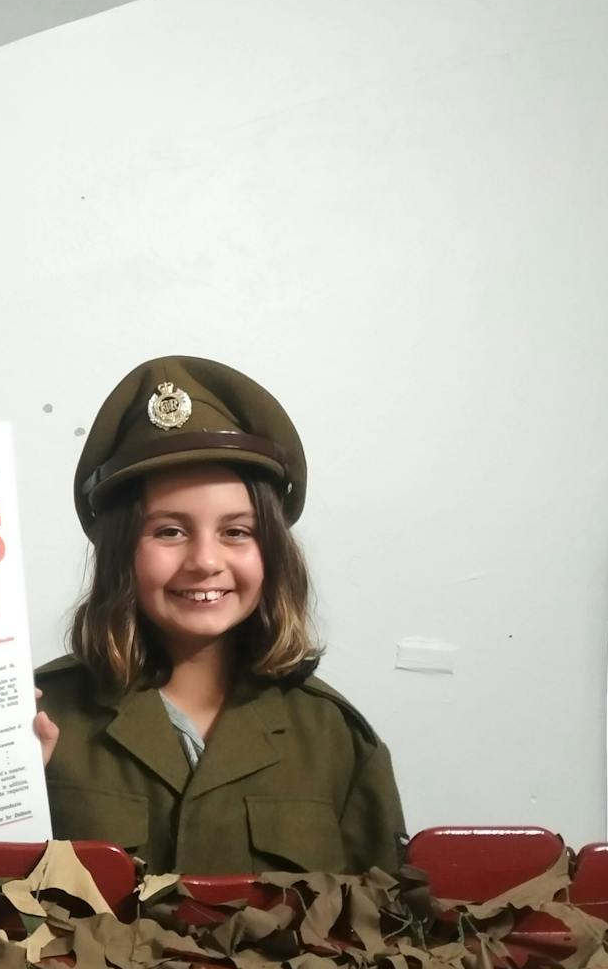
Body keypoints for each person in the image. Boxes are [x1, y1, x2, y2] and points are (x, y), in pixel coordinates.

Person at [33, 356, 405, 874]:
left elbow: (384, 931)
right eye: (169, 531)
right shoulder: (41, 722)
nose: (206, 562)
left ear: (272, 552)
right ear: (121, 554)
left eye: (237, 531)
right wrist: (0, 794)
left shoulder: (334, 738)